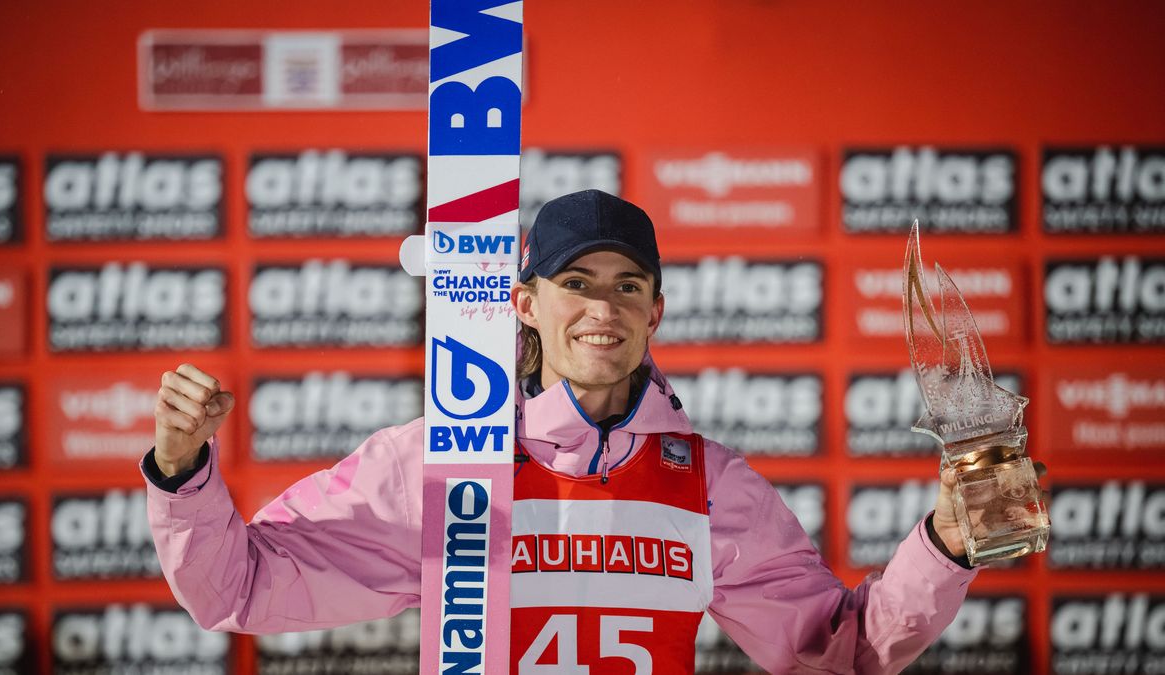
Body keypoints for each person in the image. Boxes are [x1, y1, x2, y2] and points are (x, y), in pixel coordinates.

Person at [145, 189, 979, 674]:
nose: (601, 308)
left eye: (626, 286)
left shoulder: (709, 483)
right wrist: (182, 470)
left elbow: (841, 655)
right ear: (525, 302)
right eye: (574, 281)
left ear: (654, 312)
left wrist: (945, 543)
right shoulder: (439, 463)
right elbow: (235, 588)